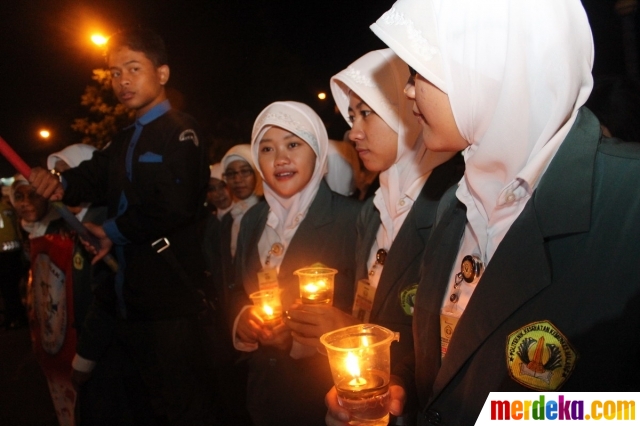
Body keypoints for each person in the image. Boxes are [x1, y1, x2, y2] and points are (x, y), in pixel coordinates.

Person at [327, 0, 640, 425]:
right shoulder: (456, 203)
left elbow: (623, 405)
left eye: (421, 71)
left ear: (490, 65)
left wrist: (494, 412)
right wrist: (402, 385)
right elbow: (453, 354)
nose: (408, 90)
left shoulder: (629, 200)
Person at [29, 27, 215, 425]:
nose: (123, 81)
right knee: (141, 408)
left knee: (184, 409)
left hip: (171, 305)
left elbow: (174, 205)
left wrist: (110, 231)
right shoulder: (122, 138)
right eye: (115, 73)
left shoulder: (182, 132)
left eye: (133, 68)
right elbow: (88, 178)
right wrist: (56, 183)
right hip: (125, 305)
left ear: (162, 73)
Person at [287, 48, 463, 423]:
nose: (353, 131)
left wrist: (350, 330)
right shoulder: (373, 210)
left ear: (409, 107)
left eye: (367, 112)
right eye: (351, 116)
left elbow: (447, 336)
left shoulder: (456, 202)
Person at [230, 101, 361, 426]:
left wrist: (303, 339)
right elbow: (235, 290)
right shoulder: (252, 220)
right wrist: (244, 321)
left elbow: (370, 314)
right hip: (263, 396)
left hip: (324, 398)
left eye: (293, 144)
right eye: (267, 148)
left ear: (317, 151)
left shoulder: (353, 219)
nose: (281, 159)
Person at [219, 144, 262, 293]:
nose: (237, 179)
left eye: (245, 171)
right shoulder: (228, 219)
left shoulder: (270, 213)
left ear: (257, 172)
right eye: (231, 174)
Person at [0, 184, 27, 330]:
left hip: (3, 256)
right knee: (14, 289)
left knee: (8, 290)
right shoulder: (7, 209)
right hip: (15, 253)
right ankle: (19, 317)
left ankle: (12, 318)